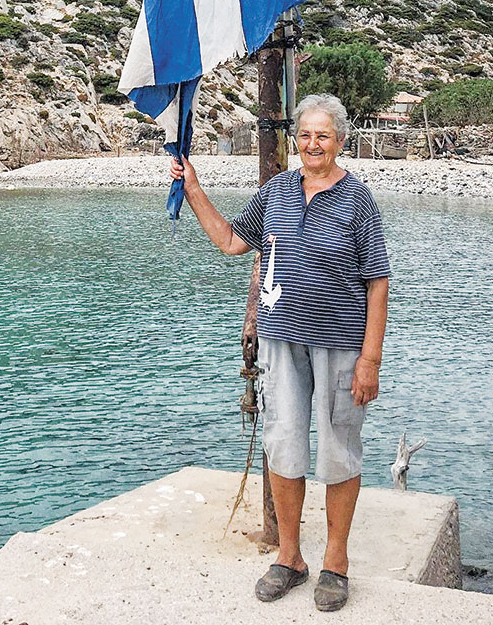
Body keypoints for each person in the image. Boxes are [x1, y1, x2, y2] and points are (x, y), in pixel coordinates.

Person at [170, 92, 390, 613]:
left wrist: (370, 360)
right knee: (284, 444)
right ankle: (290, 557)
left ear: (340, 141)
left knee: (339, 450)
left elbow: (378, 283)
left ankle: (336, 562)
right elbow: (230, 242)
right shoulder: (276, 192)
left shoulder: (359, 201)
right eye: (306, 134)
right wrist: (195, 189)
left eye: (324, 135)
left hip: (340, 344)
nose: (313, 144)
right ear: (296, 139)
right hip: (280, 339)